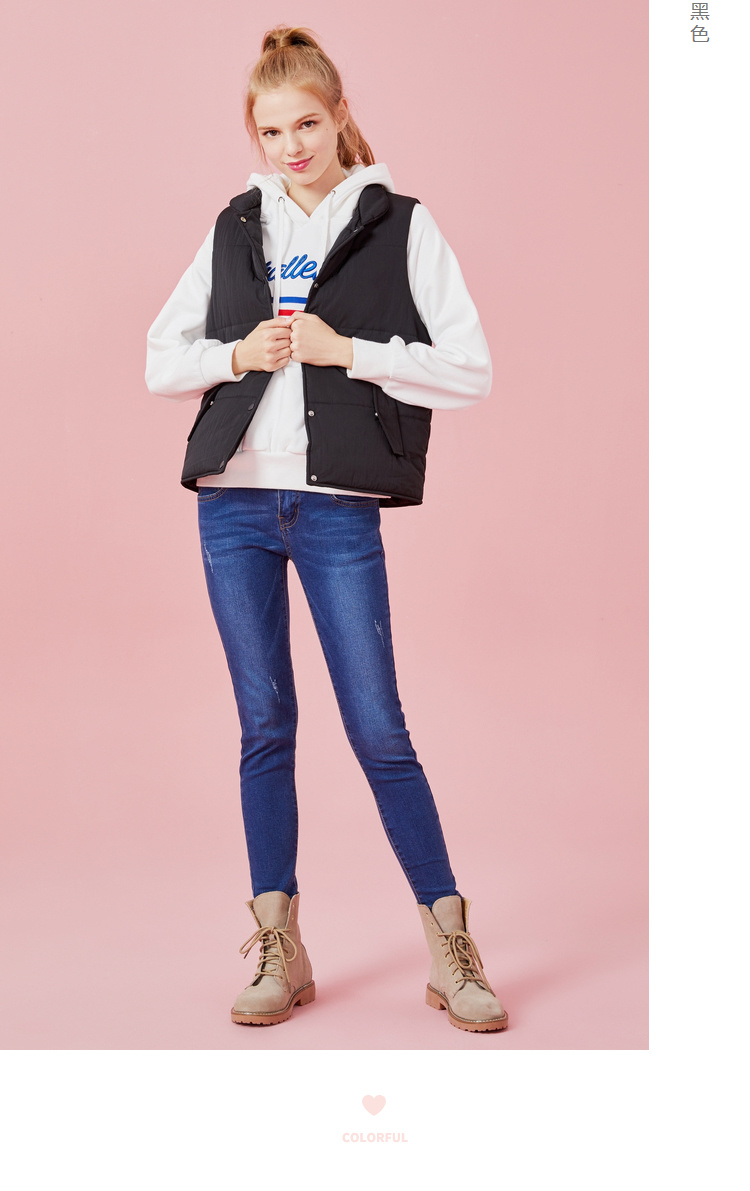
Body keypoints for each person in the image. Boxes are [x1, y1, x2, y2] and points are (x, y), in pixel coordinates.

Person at [145, 25, 507, 1034]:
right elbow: (160, 358)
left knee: (379, 728)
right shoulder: (236, 225)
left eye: (307, 123)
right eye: (271, 132)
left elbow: (470, 369)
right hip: (234, 505)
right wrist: (236, 354)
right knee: (264, 725)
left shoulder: (401, 223)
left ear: (341, 115)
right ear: (254, 137)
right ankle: (280, 946)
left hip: (336, 506)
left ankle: (451, 948)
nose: (292, 147)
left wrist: (351, 350)